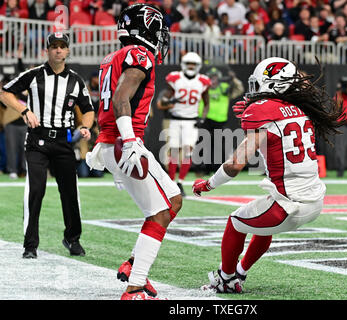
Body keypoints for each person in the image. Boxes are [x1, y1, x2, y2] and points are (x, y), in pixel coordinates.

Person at [193, 57, 344, 293]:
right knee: (259, 219)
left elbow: (235, 164)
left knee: (235, 223)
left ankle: (226, 279)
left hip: (289, 205)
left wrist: (209, 184)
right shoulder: (303, 108)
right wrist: (257, 110)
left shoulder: (262, 111)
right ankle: (239, 274)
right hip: (314, 201)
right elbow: (279, 116)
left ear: (273, 84)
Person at [85, 3, 182, 300]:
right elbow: (121, 98)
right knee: (160, 212)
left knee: (174, 200)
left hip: (112, 141)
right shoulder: (140, 54)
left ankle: (133, 264)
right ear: (148, 29)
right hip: (123, 141)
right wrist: (128, 142)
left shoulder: (114, 56)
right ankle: (135, 287)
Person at [0, 32, 95, 259]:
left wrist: (86, 127)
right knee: (36, 190)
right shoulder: (33, 75)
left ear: (68, 50)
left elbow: (88, 109)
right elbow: (4, 93)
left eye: (62, 46)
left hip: (63, 141)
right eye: (54, 46)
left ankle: (72, 238)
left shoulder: (76, 80)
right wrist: (24, 110)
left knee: (70, 192)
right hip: (37, 140)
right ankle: (30, 245)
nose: (58, 50)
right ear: (47, 50)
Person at [157, 52, 211, 196]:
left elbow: (206, 104)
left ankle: (180, 182)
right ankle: (171, 183)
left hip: (191, 121)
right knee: (174, 151)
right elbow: (163, 100)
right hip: (175, 119)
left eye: (193, 64)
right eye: (188, 64)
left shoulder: (203, 81)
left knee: (188, 153)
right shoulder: (176, 78)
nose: (191, 67)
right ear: (183, 65)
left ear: (198, 66)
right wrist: (170, 101)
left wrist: (202, 118)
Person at [197, 66, 244, 174]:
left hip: (220, 121)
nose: (213, 80)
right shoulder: (203, 87)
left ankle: (219, 169)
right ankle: (203, 169)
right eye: (211, 78)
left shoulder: (224, 87)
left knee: (219, 146)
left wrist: (234, 79)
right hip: (205, 120)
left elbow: (239, 89)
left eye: (215, 78)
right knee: (203, 145)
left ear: (218, 78)